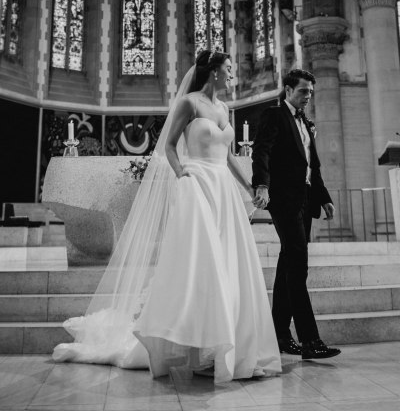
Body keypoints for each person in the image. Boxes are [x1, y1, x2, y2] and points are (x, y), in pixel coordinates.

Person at [52, 50, 282, 384]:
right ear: (213, 71)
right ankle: (202, 350)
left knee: (230, 265)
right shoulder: (189, 103)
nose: (233, 74)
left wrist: (250, 187)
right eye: (228, 69)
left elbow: (229, 156)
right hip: (196, 184)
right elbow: (170, 146)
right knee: (205, 266)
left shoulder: (224, 109)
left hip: (224, 191)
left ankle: (225, 350)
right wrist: (182, 175)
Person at [251, 69, 341, 360]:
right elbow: (261, 151)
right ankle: (310, 340)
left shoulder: (305, 122)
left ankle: (279, 334)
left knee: (289, 263)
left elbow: (313, 166)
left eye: (311, 93)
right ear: (288, 90)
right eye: (303, 91)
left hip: (305, 199)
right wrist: (262, 185)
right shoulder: (274, 116)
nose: (307, 97)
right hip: (284, 200)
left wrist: (323, 198)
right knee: (298, 266)